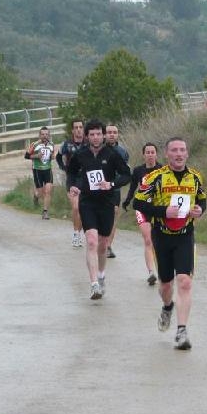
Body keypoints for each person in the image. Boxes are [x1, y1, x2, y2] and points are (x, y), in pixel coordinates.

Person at [133, 137, 207, 350]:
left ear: (187, 153)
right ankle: (167, 307)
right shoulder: (155, 177)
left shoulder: (195, 177)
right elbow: (139, 202)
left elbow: (202, 199)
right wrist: (162, 211)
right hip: (162, 236)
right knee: (166, 285)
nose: (178, 154)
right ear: (167, 154)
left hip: (185, 235)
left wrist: (200, 209)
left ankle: (182, 331)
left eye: (182, 150)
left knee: (184, 282)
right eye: (174, 150)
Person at [67, 119, 131, 300]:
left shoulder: (112, 154)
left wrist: (110, 184)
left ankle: (101, 276)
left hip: (106, 203)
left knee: (103, 245)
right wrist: (72, 186)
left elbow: (127, 175)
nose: (95, 137)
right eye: (92, 134)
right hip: (87, 202)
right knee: (92, 241)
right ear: (87, 137)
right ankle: (94, 283)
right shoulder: (81, 154)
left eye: (98, 134)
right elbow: (71, 173)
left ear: (103, 135)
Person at [122, 142, 159, 286]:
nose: (150, 155)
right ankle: (151, 272)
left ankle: (161, 267)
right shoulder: (138, 171)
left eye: (152, 152)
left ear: (156, 154)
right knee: (148, 240)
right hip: (142, 208)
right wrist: (127, 201)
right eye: (147, 152)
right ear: (143, 155)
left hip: (158, 208)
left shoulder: (163, 169)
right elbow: (132, 188)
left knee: (159, 241)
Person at [56, 119, 86, 247]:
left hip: (85, 179)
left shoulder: (89, 143)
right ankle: (76, 234)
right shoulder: (66, 144)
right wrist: (63, 167)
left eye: (80, 127)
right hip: (72, 178)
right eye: (76, 127)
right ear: (72, 130)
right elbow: (58, 156)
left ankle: (80, 232)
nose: (78, 129)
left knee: (84, 209)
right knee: (75, 207)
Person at [105, 123, 130, 259]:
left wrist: (117, 183)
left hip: (115, 188)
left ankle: (108, 245)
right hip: (99, 189)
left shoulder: (122, 152)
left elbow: (125, 172)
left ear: (118, 134)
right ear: (104, 134)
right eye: (109, 132)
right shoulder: (99, 150)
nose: (112, 135)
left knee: (114, 215)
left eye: (114, 132)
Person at [24, 126, 56, 220]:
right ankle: (36, 196)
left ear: (49, 135)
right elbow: (26, 156)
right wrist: (36, 156)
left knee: (48, 191)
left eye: (46, 134)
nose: (44, 136)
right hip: (37, 170)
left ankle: (45, 212)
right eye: (42, 134)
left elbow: (52, 155)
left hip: (48, 170)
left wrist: (52, 156)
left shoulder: (52, 145)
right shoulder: (35, 144)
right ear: (39, 135)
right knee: (41, 193)